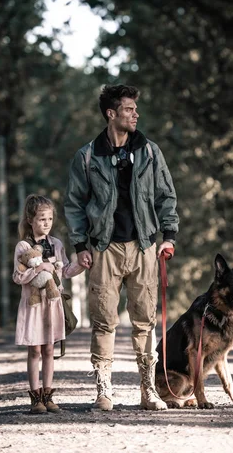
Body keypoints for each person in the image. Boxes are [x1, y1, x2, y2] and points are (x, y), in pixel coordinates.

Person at [64, 84, 179, 411]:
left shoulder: (150, 152)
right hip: (103, 250)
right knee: (104, 322)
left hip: (144, 247)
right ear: (111, 114)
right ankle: (104, 390)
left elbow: (166, 196)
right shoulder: (87, 156)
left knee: (145, 321)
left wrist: (168, 236)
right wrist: (80, 244)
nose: (135, 114)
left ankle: (148, 390)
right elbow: (74, 203)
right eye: (129, 109)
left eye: (135, 109)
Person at [13, 194, 83, 414]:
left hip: (53, 304)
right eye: (42, 219)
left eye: (50, 219)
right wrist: (39, 268)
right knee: (35, 350)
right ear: (31, 220)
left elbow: (63, 272)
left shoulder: (57, 244)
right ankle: (35, 398)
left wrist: (81, 265)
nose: (46, 224)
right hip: (33, 305)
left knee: (50, 349)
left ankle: (48, 394)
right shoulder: (23, 246)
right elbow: (17, 276)